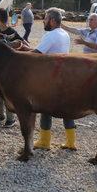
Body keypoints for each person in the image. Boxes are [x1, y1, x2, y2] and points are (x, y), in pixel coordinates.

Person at [19, 8, 75, 150]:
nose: (43, 20)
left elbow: (36, 55)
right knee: (67, 109)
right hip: (65, 77)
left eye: (45, 18)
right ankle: (71, 141)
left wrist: (22, 49)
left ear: (52, 21)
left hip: (51, 79)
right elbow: (47, 52)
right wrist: (30, 48)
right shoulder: (64, 34)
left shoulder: (51, 35)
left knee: (45, 108)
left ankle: (45, 141)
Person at [0, 8, 27, 128]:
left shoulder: (11, 31)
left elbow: (24, 44)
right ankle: (0, 115)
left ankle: (10, 119)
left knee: (6, 94)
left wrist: (12, 45)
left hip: (9, 69)